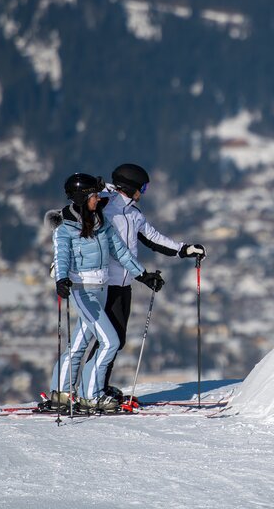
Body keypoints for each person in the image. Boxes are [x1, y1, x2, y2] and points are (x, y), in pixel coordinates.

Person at [48, 172, 165, 412]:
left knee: (81, 342)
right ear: (81, 197)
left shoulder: (100, 223)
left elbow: (121, 253)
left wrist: (143, 275)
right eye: (93, 195)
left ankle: (61, 391)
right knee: (110, 342)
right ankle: (91, 395)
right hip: (83, 290)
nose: (98, 198)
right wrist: (61, 279)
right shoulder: (66, 229)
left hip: (101, 289)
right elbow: (61, 257)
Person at [89, 163, 205, 398]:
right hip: (100, 283)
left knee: (117, 340)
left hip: (123, 285)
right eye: (142, 187)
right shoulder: (103, 205)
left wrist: (184, 250)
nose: (143, 192)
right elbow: (73, 222)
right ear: (130, 187)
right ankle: (88, 389)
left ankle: (97, 385)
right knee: (104, 340)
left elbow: (153, 238)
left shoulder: (133, 213)